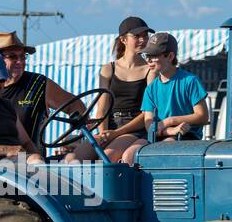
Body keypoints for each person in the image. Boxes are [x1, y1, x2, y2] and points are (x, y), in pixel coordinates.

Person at [72, 16, 157, 162]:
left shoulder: (150, 71)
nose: (143, 39)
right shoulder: (108, 69)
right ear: (123, 40)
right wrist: (103, 133)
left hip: (134, 129)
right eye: (137, 36)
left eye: (145, 35)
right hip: (109, 128)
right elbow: (102, 109)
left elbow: (147, 113)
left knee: (107, 157)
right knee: (73, 158)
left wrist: (115, 133)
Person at [120, 32, 208, 164]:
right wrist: (170, 128)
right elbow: (149, 125)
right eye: (147, 55)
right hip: (160, 134)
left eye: (154, 56)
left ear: (170, 56)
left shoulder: (190, 81)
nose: (149, 60)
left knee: (163, 149)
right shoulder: (151, 89)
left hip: (186, 137)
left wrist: (171, 121)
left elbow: (202, 116)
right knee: (129, 155)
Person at [0, 31, 78, 149]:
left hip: (30, 163)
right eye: (12, 56)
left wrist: (76, 138)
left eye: (23, 56)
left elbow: (77, 106)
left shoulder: (39, 84)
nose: (20, 61)